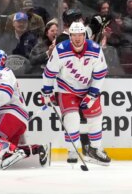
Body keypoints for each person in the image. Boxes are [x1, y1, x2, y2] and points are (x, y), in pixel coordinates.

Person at [41, 21, 111, 166]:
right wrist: (47, 92)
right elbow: (49, 73)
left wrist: (92, 95)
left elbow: (100, 74)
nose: (77, 38)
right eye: (74, 35)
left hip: (88, 88)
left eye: (80, 35)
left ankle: (95, 149)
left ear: (84, 35)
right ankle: (73, 149)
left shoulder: (95, 49)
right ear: (70, 36)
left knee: (95, 118)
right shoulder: (60, 50)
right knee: (72, 119)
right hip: (67, 89)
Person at [0, 49, 50, 169]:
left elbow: (3, 94)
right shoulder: (3, 73)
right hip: (15, 117)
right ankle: (36, 150)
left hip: (9, 114)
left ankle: (10, 151)